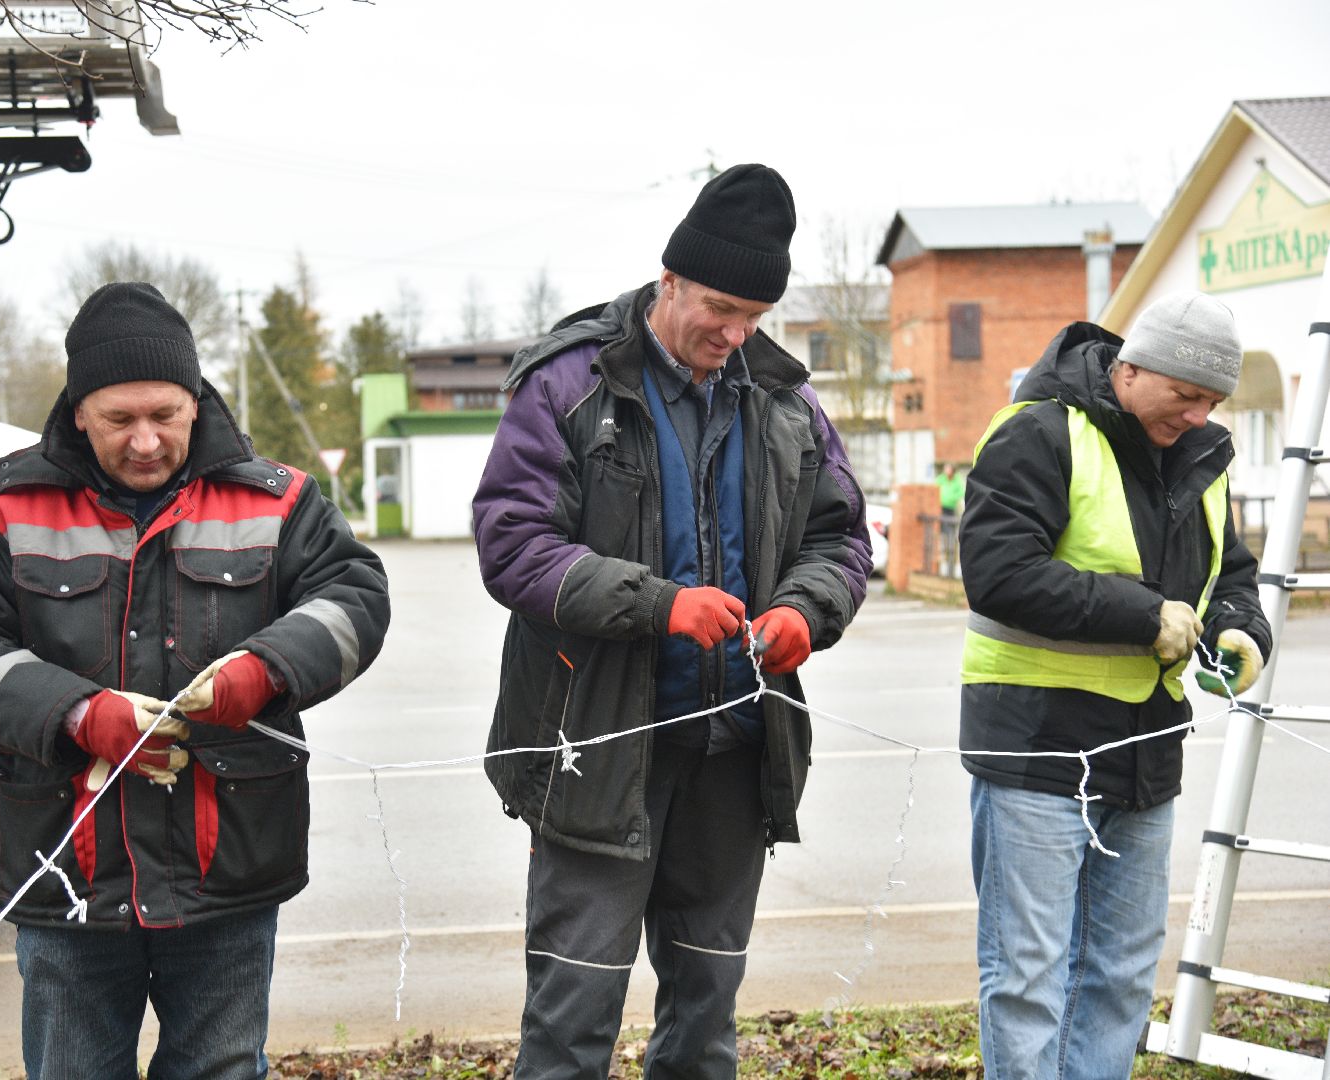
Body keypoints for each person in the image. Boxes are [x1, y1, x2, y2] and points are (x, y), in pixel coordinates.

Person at [0, 282, 390, 1080]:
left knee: (220, 1068)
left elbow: (355, 598)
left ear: (197, 403)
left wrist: (263, 669)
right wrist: (76, 714)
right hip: (68, 877)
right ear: (77, 413)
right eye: (118, 420)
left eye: (164, 416)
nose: (144, 441)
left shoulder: (280, 502)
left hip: (227, 869)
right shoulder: (1, 512)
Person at [471, 163, 872, 1079]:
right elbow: (512, 544)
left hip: (733, 753)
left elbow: (841, 537)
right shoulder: (568, 383)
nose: (733, 335)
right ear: (670, 280)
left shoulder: (787, 402)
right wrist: (657, 605)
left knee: (705, 1018)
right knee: (572, 1019)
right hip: (597, 749)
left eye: (754, 318)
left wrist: (808, 610)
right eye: (720, 308)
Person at [957, 291, 1271, 1080]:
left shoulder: (1201, 457)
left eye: (1212, 402)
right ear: (1130, 370)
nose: (1198, 415)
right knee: (1027, 977)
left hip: (1145, 754)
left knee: (1124, 974)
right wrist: (1143, 618)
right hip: (1035, 747)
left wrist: (1241, 629)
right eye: (1185, 395)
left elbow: (1231, 573)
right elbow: (999, 573)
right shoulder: (1040, 431)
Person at [935, 462, 965, 574]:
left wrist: (949, 499)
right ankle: (941, 566)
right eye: (945, 469)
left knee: (951, 540)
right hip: (940, 511)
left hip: (951, 511)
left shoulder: (957, 480)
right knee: (940, 539)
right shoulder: (941, 479)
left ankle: (950, 570)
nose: (946, 471)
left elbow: (960, 493)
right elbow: (934, 488)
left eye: (948, 469)